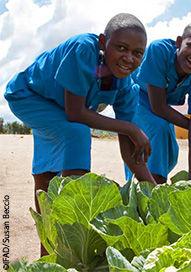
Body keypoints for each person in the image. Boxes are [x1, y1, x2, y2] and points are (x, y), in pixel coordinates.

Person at [4, 13, 157, 213]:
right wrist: (131, 128)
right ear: (103, 42)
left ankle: (54, 237)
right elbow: (75, 112)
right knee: (76, 133)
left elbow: (129, 151)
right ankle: (64, 225)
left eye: (137, 53)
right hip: (28, 95)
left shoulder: (126, 88)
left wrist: (157, 193)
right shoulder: (84, 49)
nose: (129, 58)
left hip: (59, 107)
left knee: (54, 162)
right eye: (121, 48)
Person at [126, 22, 191, 184]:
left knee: (169, 149)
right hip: (135, 93)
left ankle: (152, 183)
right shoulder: (159, 50)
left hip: (161, 104)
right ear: (179, 42)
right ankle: (150, 187)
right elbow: (157, 107)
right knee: (157, 130)